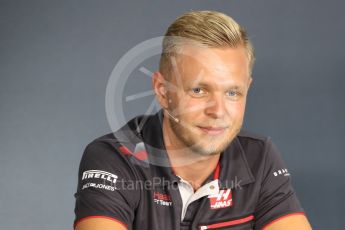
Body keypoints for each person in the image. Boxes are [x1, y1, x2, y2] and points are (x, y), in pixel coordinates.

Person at [74, 10, 312, 230]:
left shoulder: (258, 158)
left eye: (232, 93)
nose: (218, 111)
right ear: (162, 91)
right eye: (199, 90)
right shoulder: (115, 158)